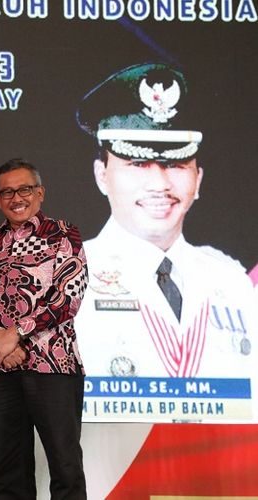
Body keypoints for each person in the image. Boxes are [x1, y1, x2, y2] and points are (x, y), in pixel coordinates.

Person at [73, 63, 257, 411]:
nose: (159, 184)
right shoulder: (65, 277)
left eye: (175, 164)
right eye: (138, 164)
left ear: (198, 179)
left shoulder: (232, 283)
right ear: (102, 175)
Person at [0, 158, 88, 499]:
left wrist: (15, 334)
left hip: (53, 367)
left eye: (25, 189)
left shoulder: (63, 234)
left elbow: (68, 297)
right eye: (7, 192)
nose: (17, 198)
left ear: (40, 193)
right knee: (7, 475)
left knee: (66, 468)